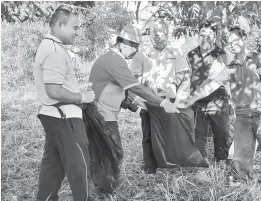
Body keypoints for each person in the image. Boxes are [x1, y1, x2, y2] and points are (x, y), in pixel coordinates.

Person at [88, 24, 179, 194]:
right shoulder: (113, 60)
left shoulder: (112, 57)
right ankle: (105, 191)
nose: (135, 53)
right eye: (134, 48)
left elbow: (125, 88)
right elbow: (136, 86)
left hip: (103, 112)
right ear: (123, 44)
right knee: (112, 153)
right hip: (101, 114)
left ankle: (102, 187)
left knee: (107, 152)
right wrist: (162, 103)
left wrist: (139, 102)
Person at [33, 5, 95, 201]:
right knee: (79, 165)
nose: (77, 32)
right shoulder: (54, 51)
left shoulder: (49, 47)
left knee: (53, 164)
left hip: (53, 116)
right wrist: (82, 97)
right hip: (64, 118)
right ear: (60, 24)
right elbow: (54, 90)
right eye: (75, 27)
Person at [130, 19, 208, 174]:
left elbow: (183, 74)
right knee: (148, 133)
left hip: (169, 100)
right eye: (155, 34)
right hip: (149, 100)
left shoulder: (175, 51)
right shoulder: (141, 54)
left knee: (171, 131)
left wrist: (176, 87)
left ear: (168, 34)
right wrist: (144, 90)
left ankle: (172, 160)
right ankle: (150, 166)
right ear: (150, 34)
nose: (159, 37)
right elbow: (133, 78)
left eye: (162, 34)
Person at [226, 16, 261, 186]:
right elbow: (228, 88)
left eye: (236, 39)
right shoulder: (231, 66)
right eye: (230, 41)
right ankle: (244, 182)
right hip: (242, 115)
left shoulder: (258, 58)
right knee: (242, 153)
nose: (232, 43)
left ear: (245, 38)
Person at [180, 20, 231, 163]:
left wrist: (194, 95)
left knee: (221, 132)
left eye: (210, 35)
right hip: (197, 101)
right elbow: (188, 76)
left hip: (217, 100)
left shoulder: (221, 54)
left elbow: (212, 79)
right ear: (198, 35)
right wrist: (183, 94)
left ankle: (221, 161)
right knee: (198, 134)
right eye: (202, 35)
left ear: (215, 37)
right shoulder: (191, 54)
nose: (205, 38)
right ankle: (199, 163)